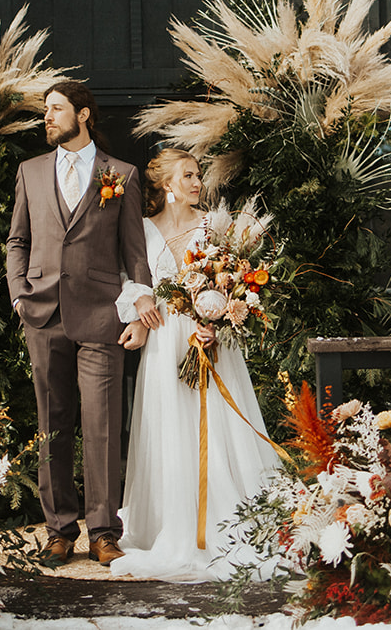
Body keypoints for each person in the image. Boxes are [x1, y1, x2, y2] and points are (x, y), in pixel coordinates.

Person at [6, 81, 160, 568]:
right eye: (46, 110)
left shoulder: (123, 174)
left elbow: (136, 255)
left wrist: (139, 310)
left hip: (101, 314)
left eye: (56, 109)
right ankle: (58, 530)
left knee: (102, 426)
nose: (47, 118)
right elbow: (17, 241)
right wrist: (18, 294)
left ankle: (102, 531)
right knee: (53, 424)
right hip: (42, 313)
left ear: (85, 114)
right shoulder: (29, 172)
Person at [110, 149, 280, 582]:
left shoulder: (213, 228)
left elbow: (237, 283)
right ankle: (173, 522)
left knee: (218, 432)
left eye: (198, 175)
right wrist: (140, 311)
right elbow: (130, 281)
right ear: (167, 184)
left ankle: (223, 523)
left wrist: (217, 322)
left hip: (209, 343)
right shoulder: (143, 230)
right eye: (187, 175)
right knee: (170, 429)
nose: (196, 182)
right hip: (165, 345)